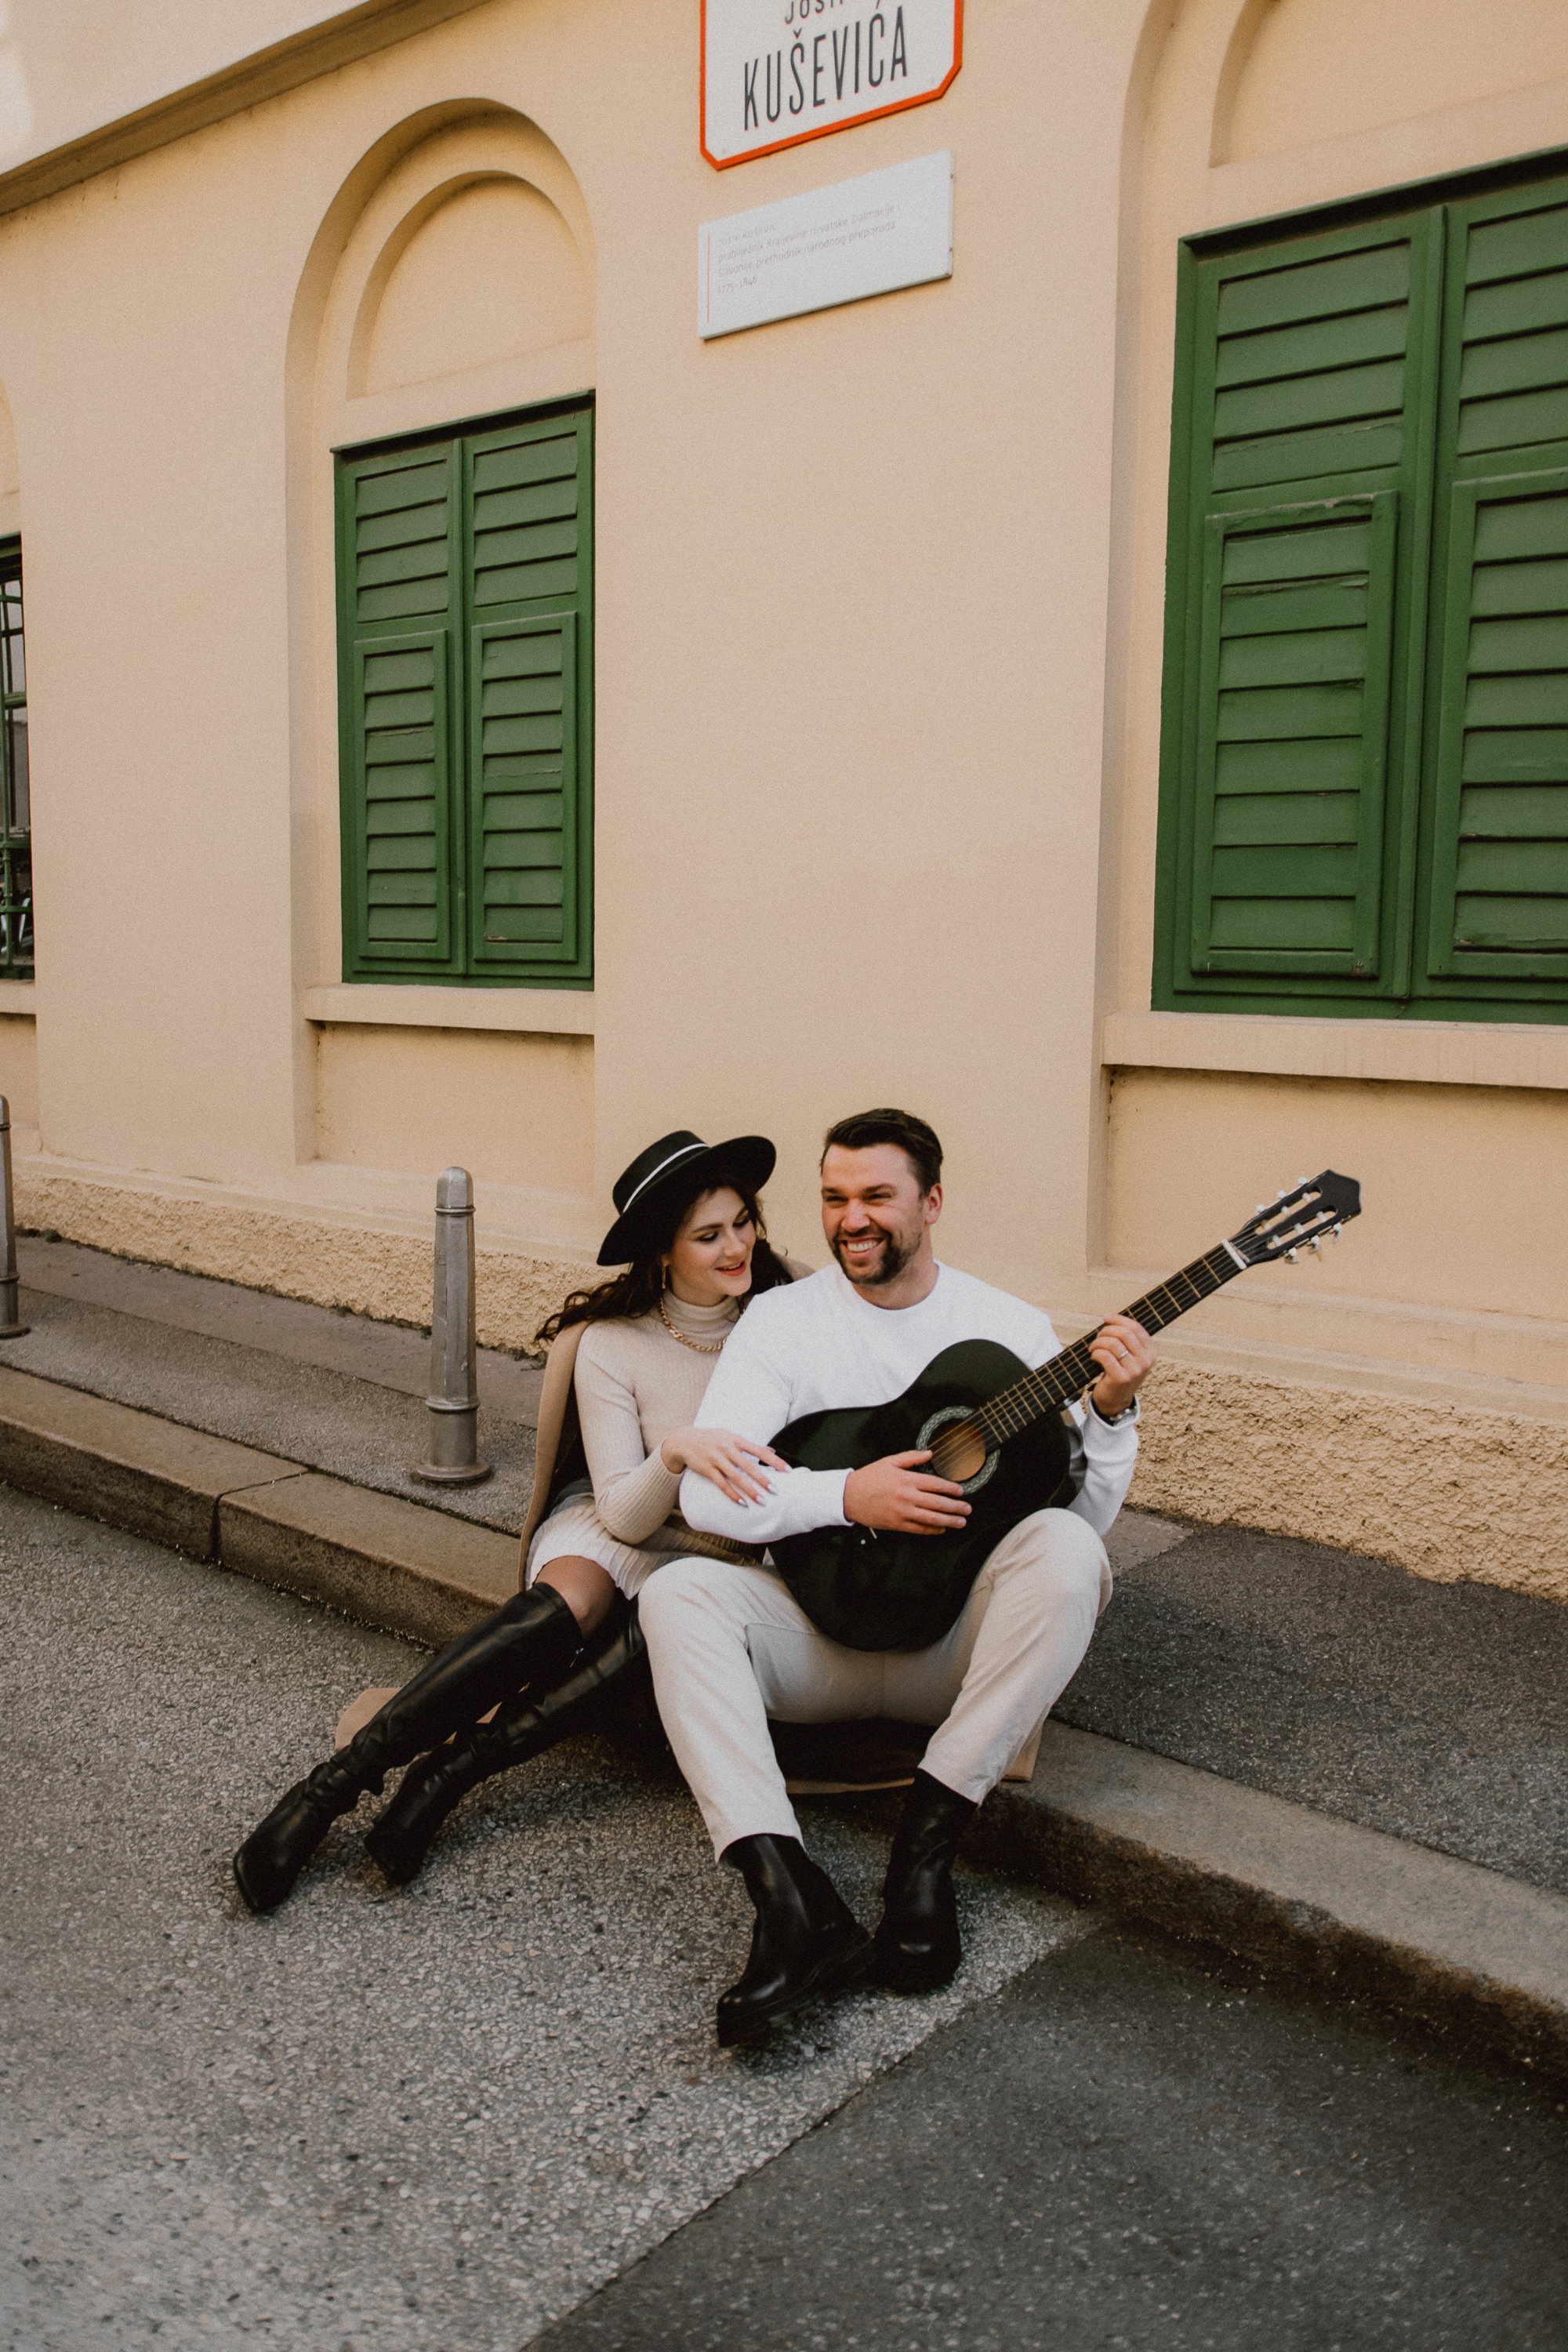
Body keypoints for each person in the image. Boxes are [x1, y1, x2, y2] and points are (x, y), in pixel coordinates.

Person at [637, 1107, 1156, 2046]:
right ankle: (791, 1905)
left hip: (951, 1656)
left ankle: (924, 1852)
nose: (851, 1219)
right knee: (676, 1594)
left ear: (932, 1203)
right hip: (816, 1641)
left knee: (1074, 1557)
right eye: (834, 1198)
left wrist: (1111, 1417)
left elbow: (1067, 1529)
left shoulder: (1007, 1328)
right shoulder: (782, 1323)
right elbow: (711, 1503)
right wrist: (845, 1497)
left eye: (876, 1196)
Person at [231, 1129, 797, 1915]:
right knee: (571, 1601)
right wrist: (673, 1453)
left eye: (743, 1222)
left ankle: (448, 1775)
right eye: (709, 1235)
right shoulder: (611, 1346)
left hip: (720, 1551)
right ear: (663, 1253)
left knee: (675, 1615)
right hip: (621, 1517)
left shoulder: (785, 1318)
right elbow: (623, 1519)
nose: (738, 1246)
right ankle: (327, 1792)